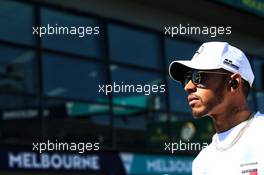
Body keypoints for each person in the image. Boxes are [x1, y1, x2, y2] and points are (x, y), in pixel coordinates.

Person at [169, 41, 264, 175]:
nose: (188, 87)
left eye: (198, 76)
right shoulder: (201, 161)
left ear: (234, 83)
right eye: (187, 79)